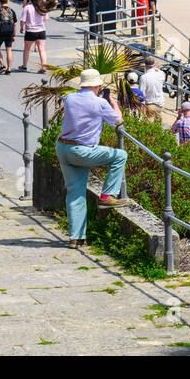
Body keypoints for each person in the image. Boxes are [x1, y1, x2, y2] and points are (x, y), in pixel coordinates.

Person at [57, 69, 130, 247]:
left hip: (63, 148)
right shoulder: (99, 103)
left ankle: (76, 237)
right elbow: (118, 121)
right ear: (97, 86)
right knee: (120, 155)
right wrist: (113, 102)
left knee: (75, 193)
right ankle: (107, 196)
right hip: (82, 151)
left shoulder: (70, 98)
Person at [18, 0, 48, 73]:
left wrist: (21, 28)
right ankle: (44, 66)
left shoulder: (27, 7)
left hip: (31, 31)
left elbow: (22, 20)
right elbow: (45, 19)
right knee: (42, 50)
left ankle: (24, 66)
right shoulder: (42, 7)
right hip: (41, 31)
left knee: (27, 50)